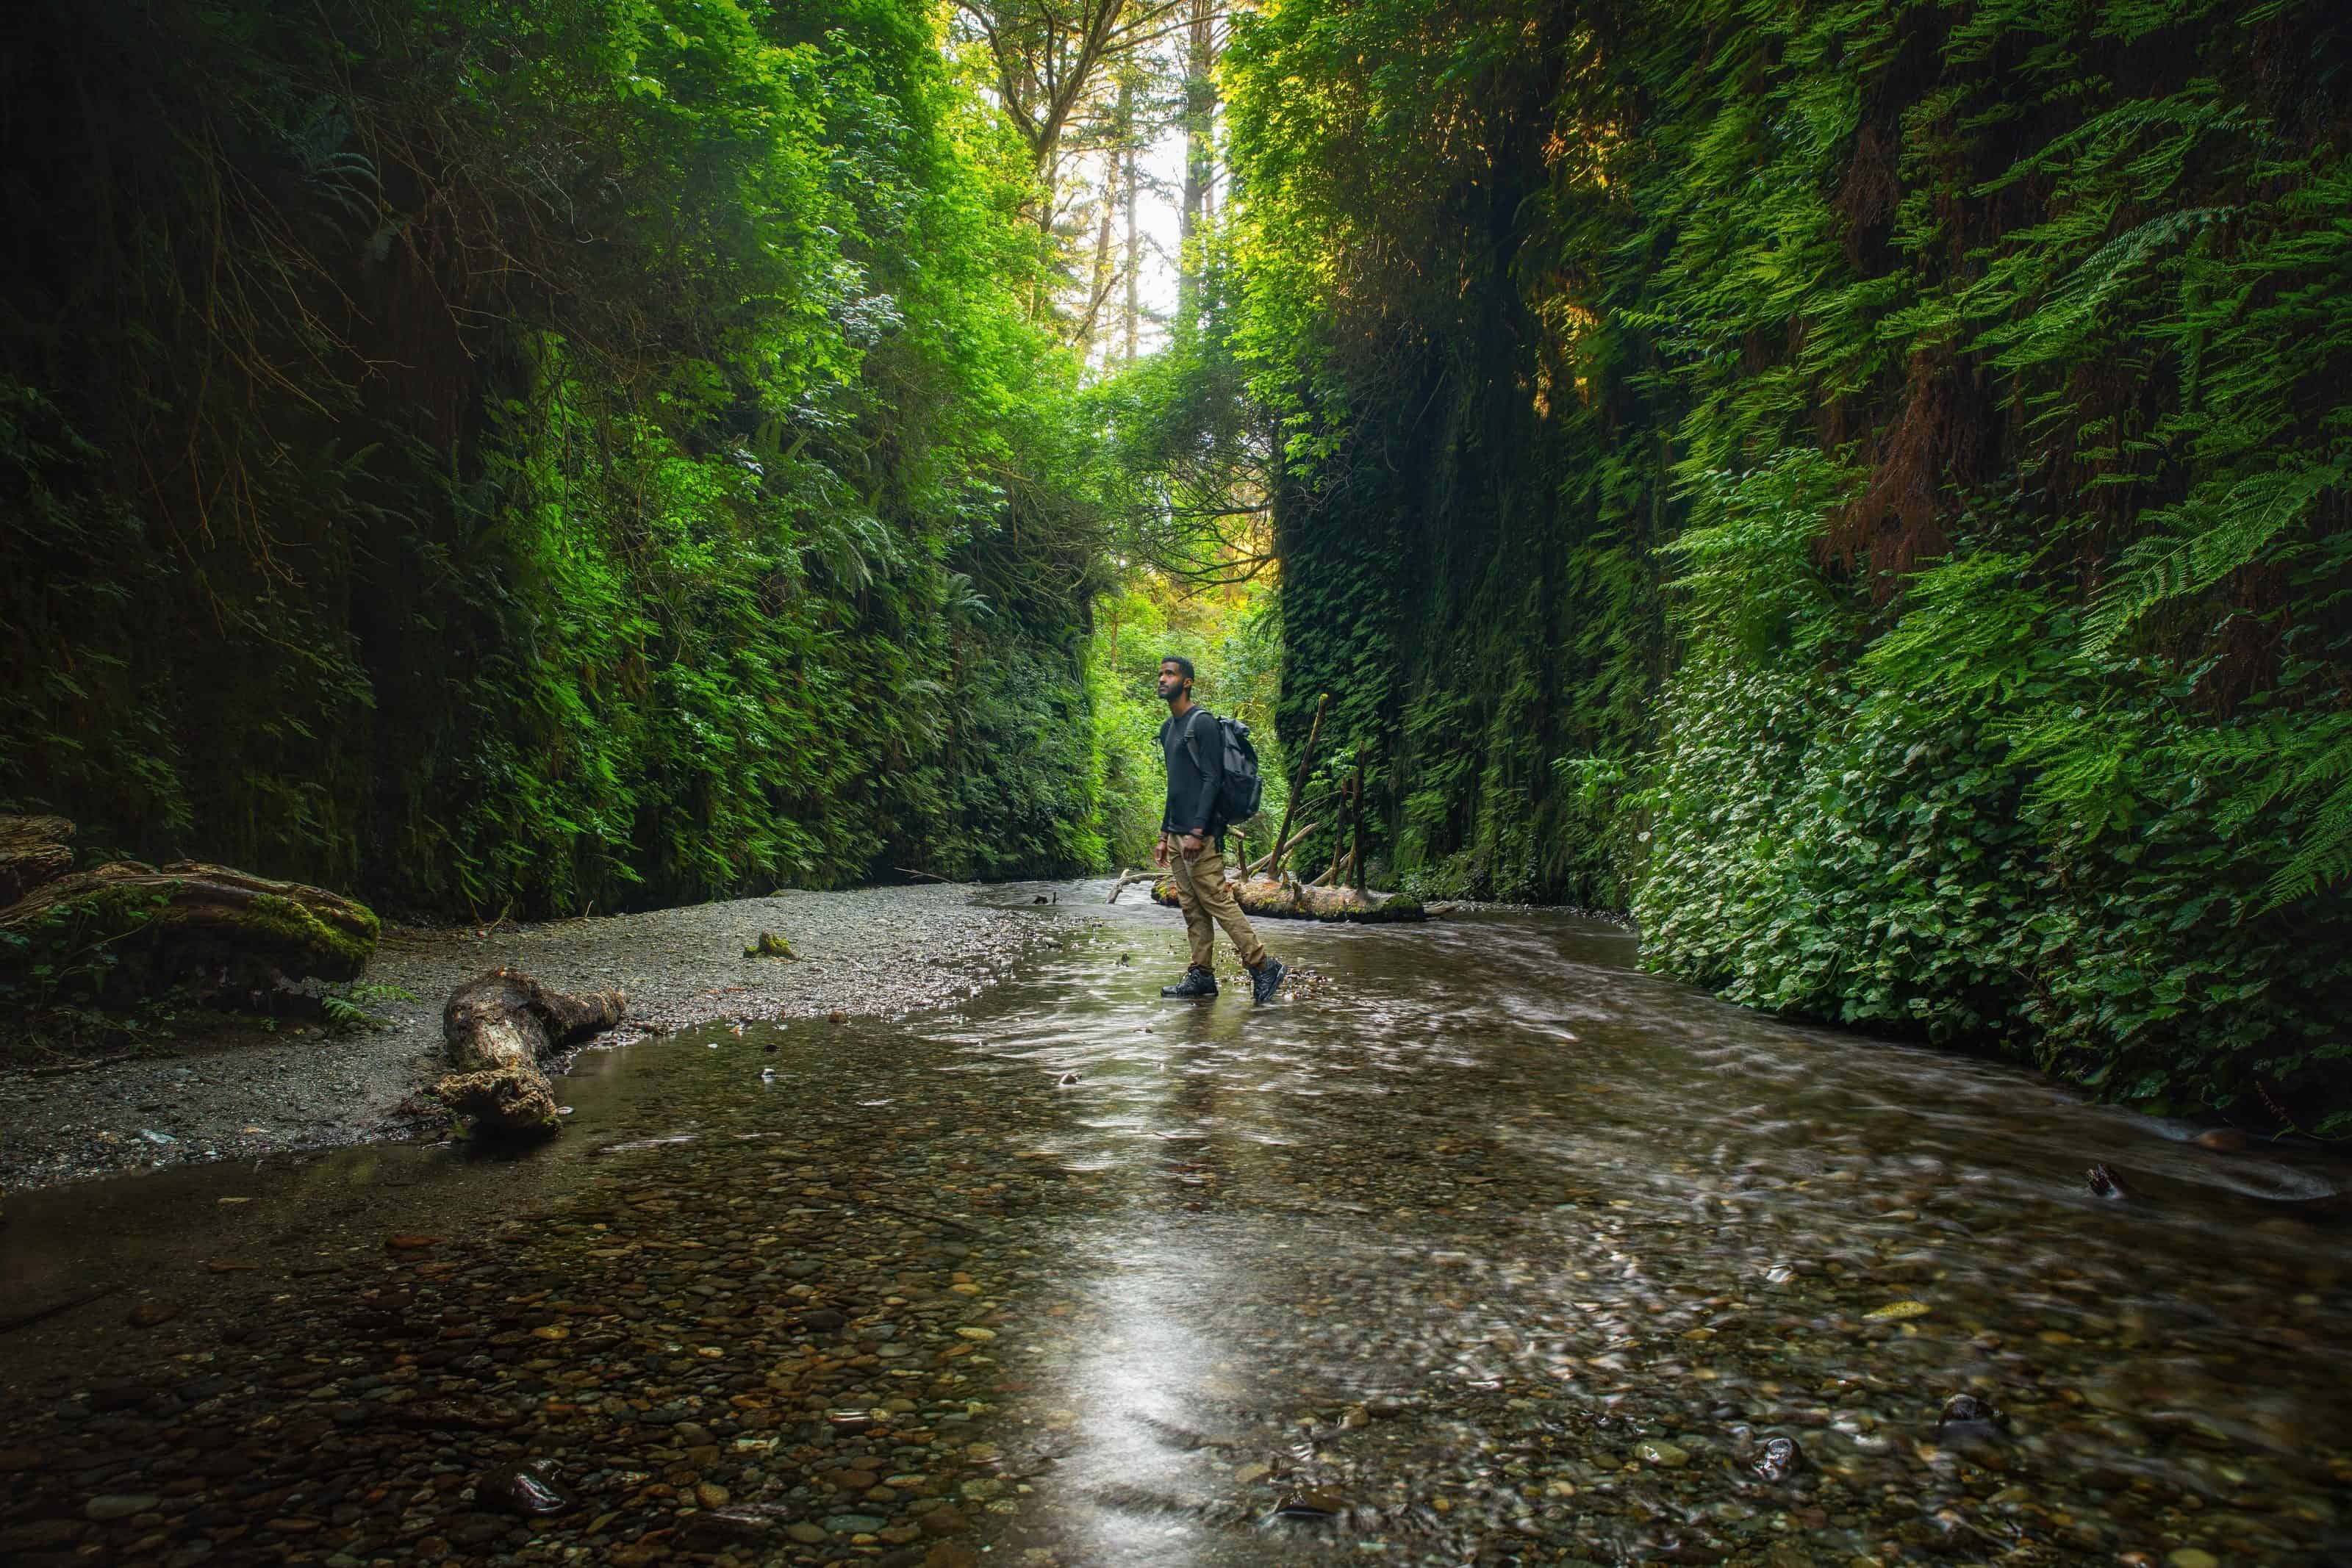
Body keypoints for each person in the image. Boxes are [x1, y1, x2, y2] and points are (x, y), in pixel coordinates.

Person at [1153, 655, 1286, 1003]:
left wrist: (1198, 832)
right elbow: (1175, 786)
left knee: (1216, 900)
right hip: (1177, 833)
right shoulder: (1168, 729)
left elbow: (1213, 780)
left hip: (1203, 832)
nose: (1163, 679)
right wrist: (1164, 834)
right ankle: (1201, 975)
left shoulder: (1203, 724)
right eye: (1161, 674)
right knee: (1190, 905)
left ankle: (1262, 965)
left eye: (1170, 674)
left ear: (1187, 682)